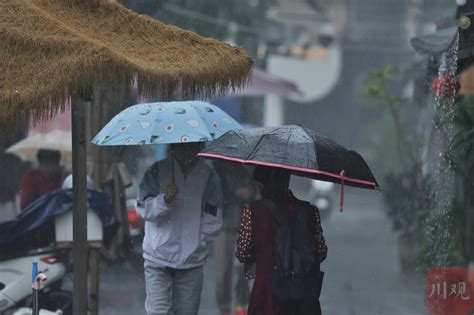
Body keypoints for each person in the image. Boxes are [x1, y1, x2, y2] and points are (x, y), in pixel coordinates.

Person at [136, 142, 223, 315]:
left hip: (192, 262)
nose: (186, 151)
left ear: (199, 147)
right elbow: (143, 209)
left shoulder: (208, 176)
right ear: (172, 147)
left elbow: (213, 217)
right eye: (181, 147)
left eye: (192, 146)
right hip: (157, 258)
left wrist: (198, 242)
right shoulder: (156, 171)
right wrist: (164, 200)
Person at [235, 166, 328, 315]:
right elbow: (321, 252)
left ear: (262, 185)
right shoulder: (309, 211)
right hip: (301, 294)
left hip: (266, 293)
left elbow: (242, 252)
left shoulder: (253, 211)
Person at [212, 162, 255, 315]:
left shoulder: (249, 163)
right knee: (223, 270)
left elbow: (256, 189)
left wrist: (249, 191)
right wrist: (234, 192)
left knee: (242, 266)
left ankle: (241, 304)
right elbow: (212, 196)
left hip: (244, 221)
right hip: (223, 224)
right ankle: (224, 308)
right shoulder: (216, 166)